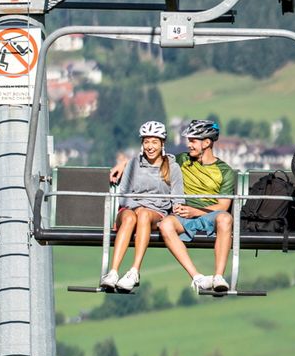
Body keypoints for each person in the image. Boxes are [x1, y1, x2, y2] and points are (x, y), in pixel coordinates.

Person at [111, 119, 236, 292]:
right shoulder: (182, 160)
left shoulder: (225, 171)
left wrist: (196, 211)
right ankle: (197, 277)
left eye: (193, 141)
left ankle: (219, 277)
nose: (188, 144)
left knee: (225, 218)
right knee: (166, 224)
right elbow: (152, 159)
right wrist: (124, 164)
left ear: (207, 143)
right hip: (182, 215)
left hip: (208, 215)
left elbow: (223, 205)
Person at [100, 121, 184, 292]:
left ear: (162, 144)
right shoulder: (132, 164)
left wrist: (178, 211)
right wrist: (136, 207)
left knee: (144, 214)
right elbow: (123, 194)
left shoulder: (173, 168)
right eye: (146, 142)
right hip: (130, 211)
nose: (150, 147)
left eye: (154, 142)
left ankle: (134, 271)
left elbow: (178, 198)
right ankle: (114, 272)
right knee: (131, 217)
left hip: (155, 214)